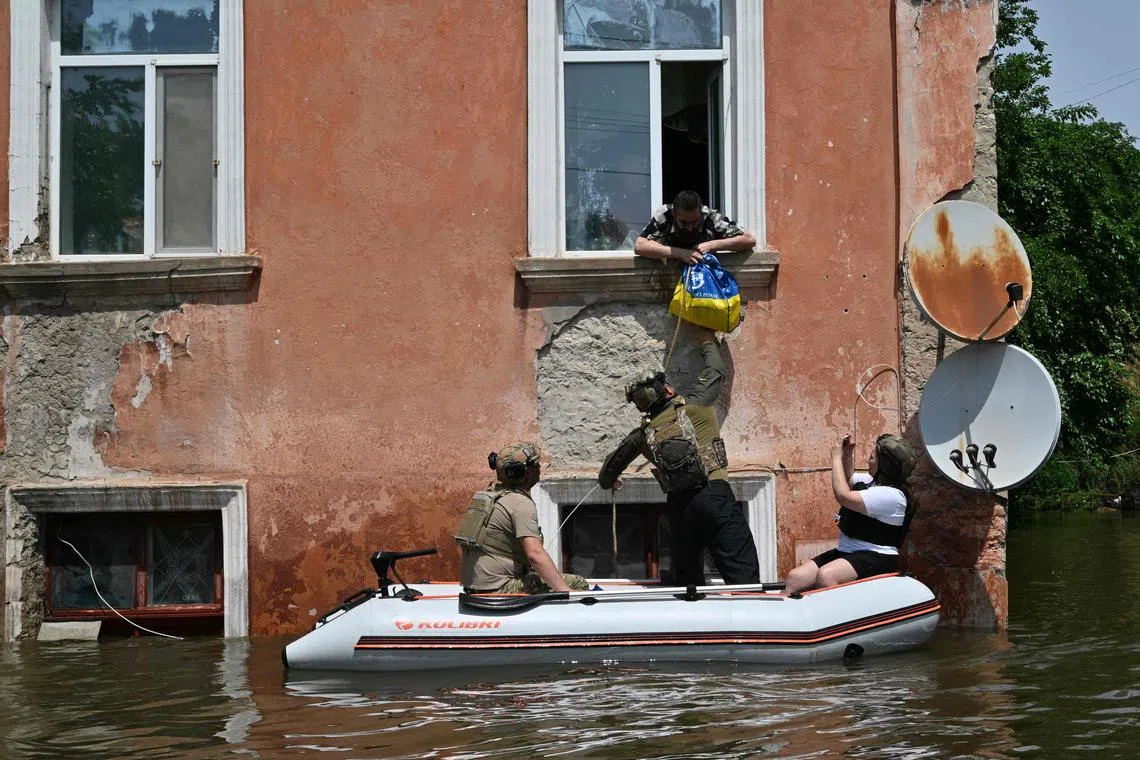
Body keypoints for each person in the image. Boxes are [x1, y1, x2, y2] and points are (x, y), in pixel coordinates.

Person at [597, 329, 760, 587]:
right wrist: (706, 339)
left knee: (687, 584)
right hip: (714, 494)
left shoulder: (641, 435)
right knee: (743, 575)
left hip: (680, 509)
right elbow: (716, 369)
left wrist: (613, 480)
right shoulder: (696, 404)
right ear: (669, 390)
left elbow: (606, 474)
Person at [784, 433, 919, 594]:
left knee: (826, 576)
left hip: (876, 557)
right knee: (795, 578)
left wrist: (835, 457)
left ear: (884, 465)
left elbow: (843, 495)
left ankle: (833, 617)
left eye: (872, 458)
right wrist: (847, 454)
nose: (868, 461)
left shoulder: (892, 496)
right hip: (848, 552)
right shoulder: (873, 482)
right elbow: (848, 479)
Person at [455, 441, 590, 594]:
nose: (540, 468)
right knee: (578, 583)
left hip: (474, 588)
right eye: (536, 465)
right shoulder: (520, 503)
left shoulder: (489, 497)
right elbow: (535, 556)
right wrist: (567, 592)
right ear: (527, 472)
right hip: (499, 589)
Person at [634, 190, 756, 265]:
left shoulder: (710, 217)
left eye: (695, 222)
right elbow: (640, 245)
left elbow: (749, 239)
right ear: (673, 214)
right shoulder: (665, 214)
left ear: (701, 214)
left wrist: (712, 245)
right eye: (684, 223)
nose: (690, 228)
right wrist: (680, 253)